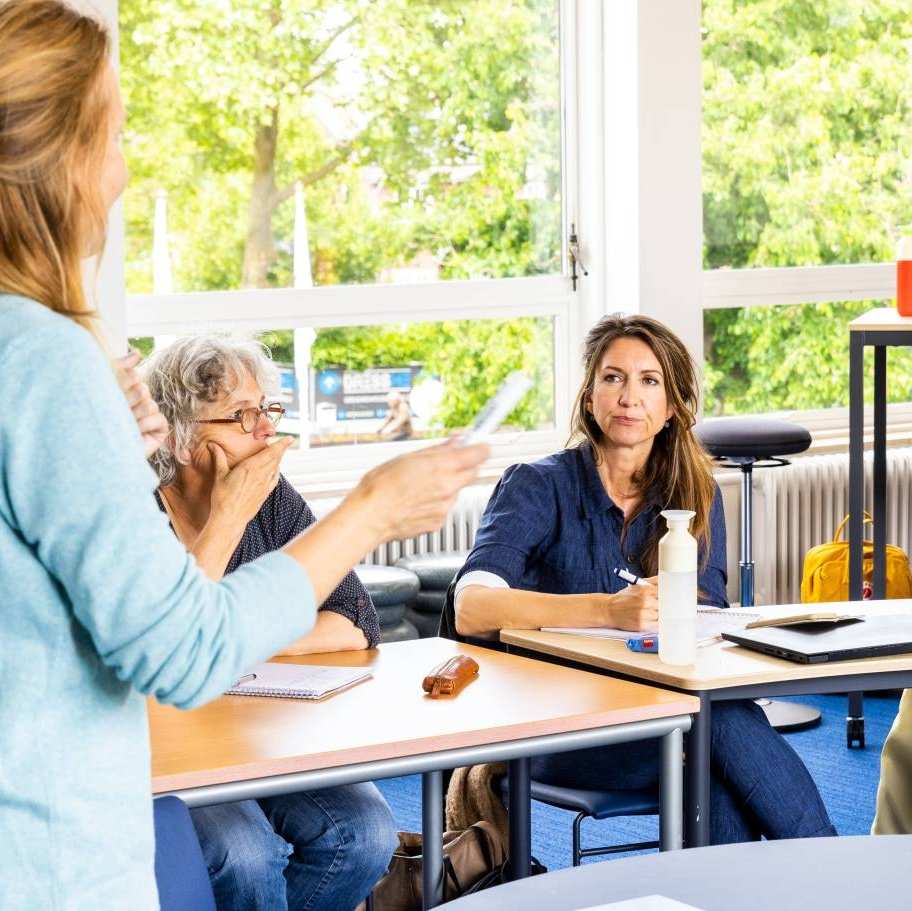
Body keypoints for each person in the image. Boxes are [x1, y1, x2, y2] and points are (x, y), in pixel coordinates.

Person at [0, 3, 488, 907]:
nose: (125, 167)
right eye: (114, 132)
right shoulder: (42, 359)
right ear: (61, 159)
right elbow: (182, 651)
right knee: (246, 857)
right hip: (49, 857)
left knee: (357, 830)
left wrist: (98, 437)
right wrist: (374, 509)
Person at [453, 312, 836, 844]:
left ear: (673, 406)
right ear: (589, 397)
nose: (629, 397)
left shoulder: (695, 497)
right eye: (613, 378)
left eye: (649, 381)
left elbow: (709, 621)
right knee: (719, 729)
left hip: (670, 715)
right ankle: (832, 867)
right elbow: (471, 608)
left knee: (716, 757)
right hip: (560, 729)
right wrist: (606, 610)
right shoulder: (537, 486)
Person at [142, 335, 395, 911]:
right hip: (159, 748)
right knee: (246, 855)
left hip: (256, 731)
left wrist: (230, 644)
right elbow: (167, 647)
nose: (265, 432)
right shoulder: (135, 510)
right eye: (241, 415)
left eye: (266, 410)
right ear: (182, 435)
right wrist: (228, 515)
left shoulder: (273, 497)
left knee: (365, 835)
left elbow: (354, 621)